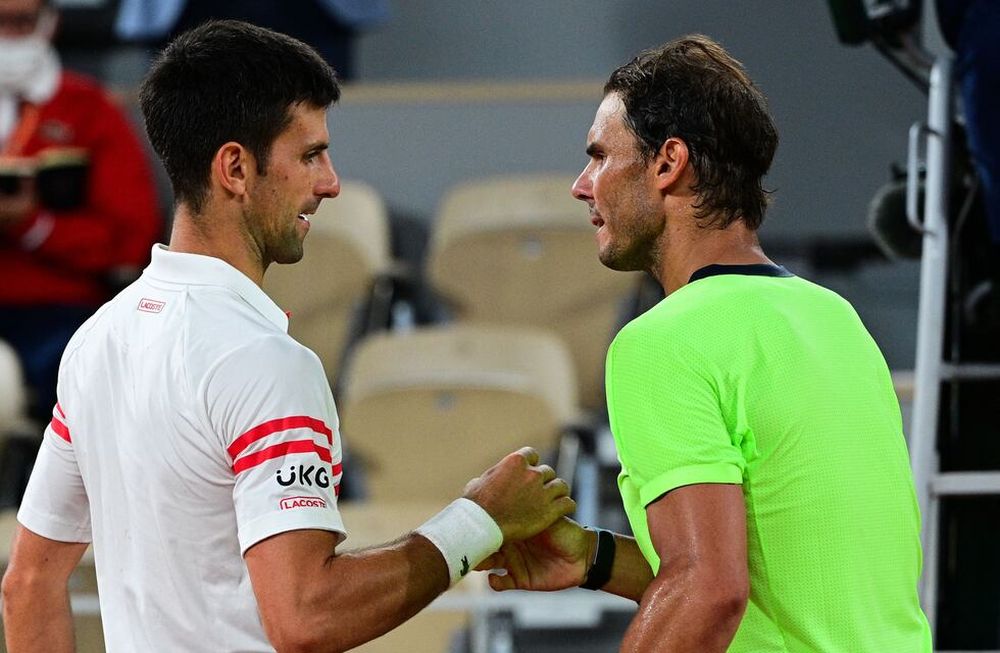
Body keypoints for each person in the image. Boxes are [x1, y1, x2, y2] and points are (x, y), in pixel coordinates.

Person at [1, 20, 574, 653]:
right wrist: (480, 522)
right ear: (235, 169)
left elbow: (27, 585)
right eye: (309, 155)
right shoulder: (263, 362)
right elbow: (308, 617)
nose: (329, 182)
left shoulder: (97, 340)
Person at [478, 35, 933, 652]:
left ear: (668, 164)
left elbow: (710, 588)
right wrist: (593, 557)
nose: (582, 186)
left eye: (599, 156)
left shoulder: (662, 342)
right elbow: (771, 584)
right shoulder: (836, 319)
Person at [0, 0, 161, 492]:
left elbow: (131, 237)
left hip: (60, 308)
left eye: (22, 22)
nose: (11, 36)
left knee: (89, 377)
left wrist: (35, 226)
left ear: (50, 23)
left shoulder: (87, 109)